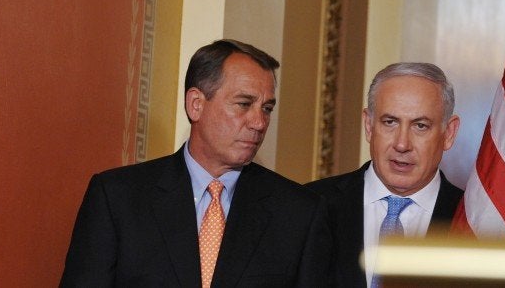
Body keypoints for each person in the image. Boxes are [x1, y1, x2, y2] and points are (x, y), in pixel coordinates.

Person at [61, 39, 330, 287]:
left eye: (267, 109)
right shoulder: (119, 198)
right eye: (243, 104)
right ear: (196, 104)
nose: (259, 123)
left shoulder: (298, 213)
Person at [307, 62, 462, 288]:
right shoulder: (309, 205)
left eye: (420, 126)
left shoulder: (474, 220)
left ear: (448, 133)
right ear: (369, 125)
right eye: (389, 122)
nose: (401, 144)